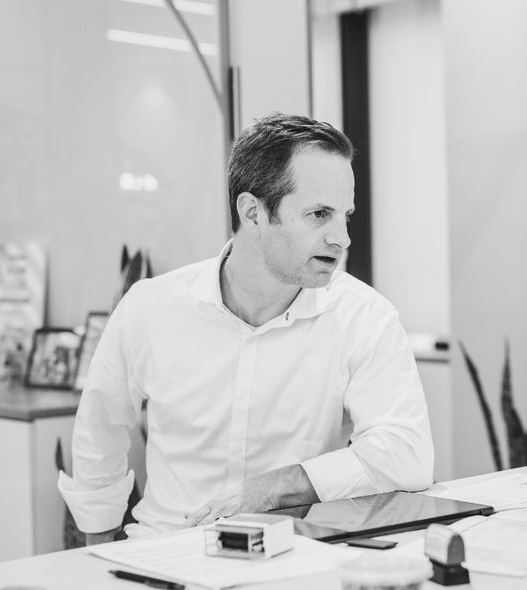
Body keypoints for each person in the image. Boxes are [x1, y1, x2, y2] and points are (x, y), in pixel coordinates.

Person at [58, 113, 434, 542]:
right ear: (253, 212)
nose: (342, 238)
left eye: (344, 215)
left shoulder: (363, 315)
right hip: (165, 549)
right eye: (319, 214)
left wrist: (273, 488)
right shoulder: (150, 307)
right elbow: (100, 431)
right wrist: (100, 550)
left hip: (294, 554)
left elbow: (407, 453)